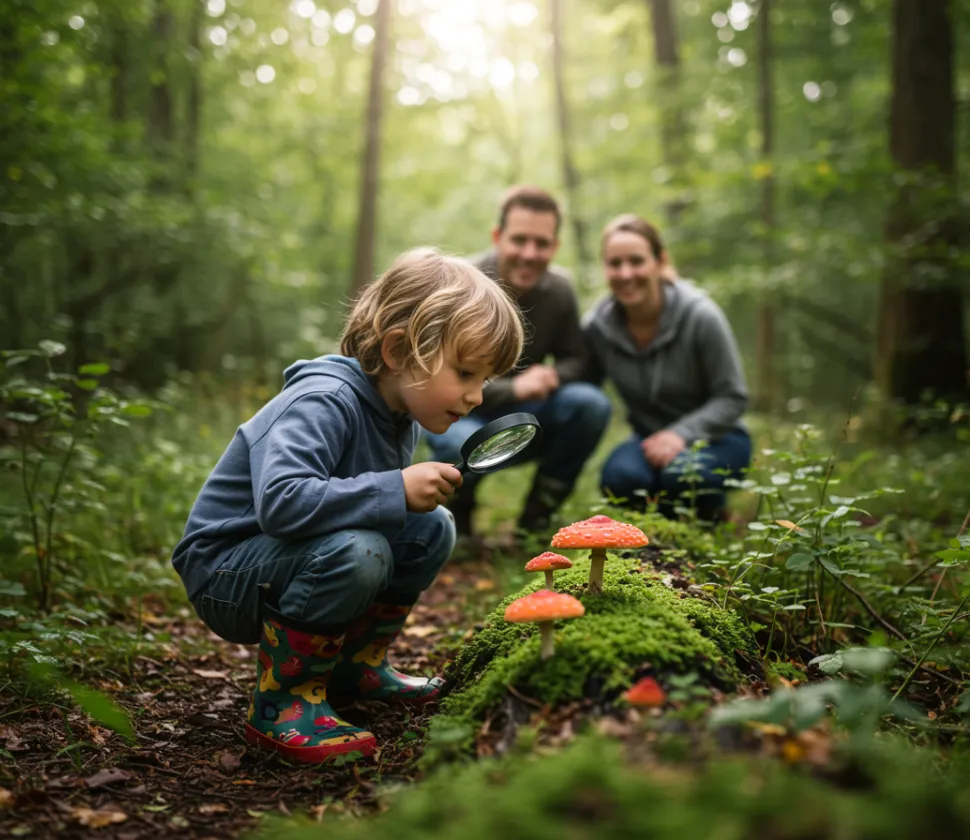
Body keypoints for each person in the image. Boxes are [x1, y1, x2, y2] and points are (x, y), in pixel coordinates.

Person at [171, 248, 524, 764]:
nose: (477, 396)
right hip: (226, 571)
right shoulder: (323, 399)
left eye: (486, 381)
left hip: (289, 557)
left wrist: (405, 496)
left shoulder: (397, 413)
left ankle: (354, 666)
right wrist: (395, 489)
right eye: (466, 372)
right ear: (400, 349)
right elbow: (281, 503)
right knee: (361, 548)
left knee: (432, 528)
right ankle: (282, 703)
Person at [424, 185, 612, 537]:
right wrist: (515, 387)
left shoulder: (559, 291)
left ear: (554, 247)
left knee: (590, 405)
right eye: (519, 240)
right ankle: (458, 518)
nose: (530, 253)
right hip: (462, 414)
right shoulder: (461, 287)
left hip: (528, 414)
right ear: (498, 237)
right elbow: (437, 381)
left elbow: (578, 360)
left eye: (541, 243)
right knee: (456, 445)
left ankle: (536, 519)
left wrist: (553, 375)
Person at [582, 214, 752, 523]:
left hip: (719, 440)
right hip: (646, 442)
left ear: (659, 262)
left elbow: (733, 397)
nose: (625, 273)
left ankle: (709, 525)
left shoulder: (701, 316)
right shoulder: (598, 327)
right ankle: (655, 543)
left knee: (681, 476)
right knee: (620, 479)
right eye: (614, 263)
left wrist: (679, 435)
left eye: (636, 261)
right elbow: (580, 382)